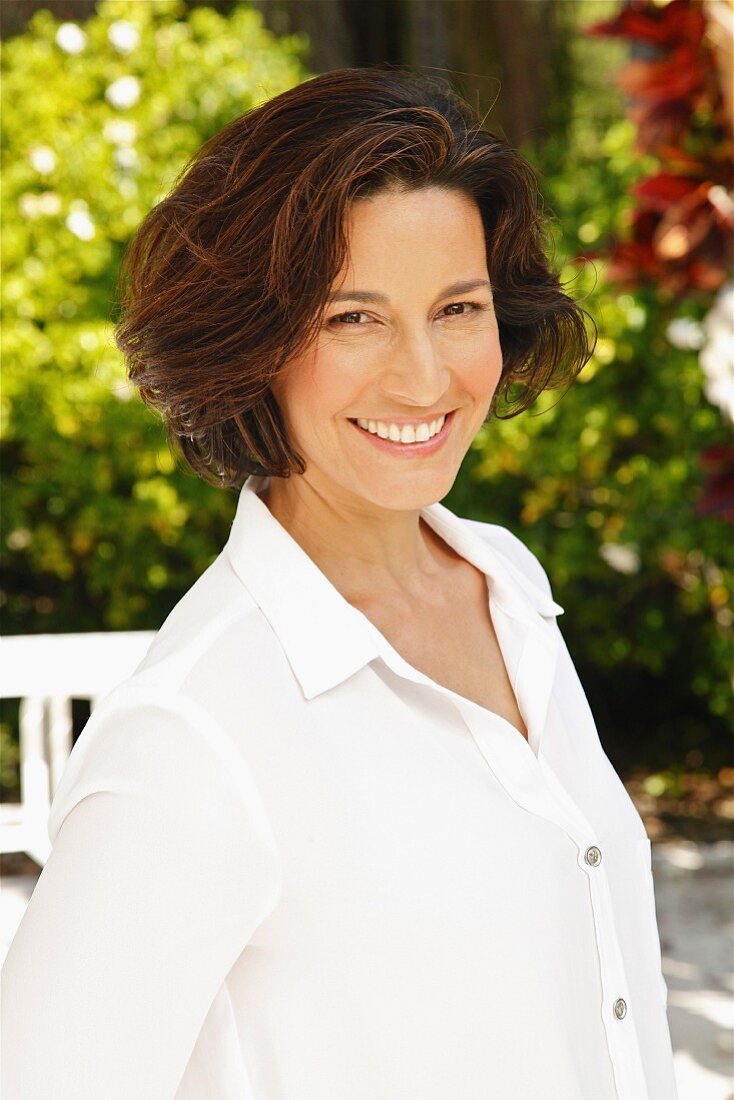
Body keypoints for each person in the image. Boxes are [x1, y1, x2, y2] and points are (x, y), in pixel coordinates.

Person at [1, 66, 678, 1099]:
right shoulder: (191, 734)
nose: (421, 376)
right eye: (352, 318)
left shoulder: (507, 585)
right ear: (254, 343)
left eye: (457, 306)